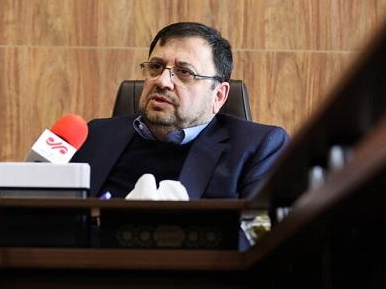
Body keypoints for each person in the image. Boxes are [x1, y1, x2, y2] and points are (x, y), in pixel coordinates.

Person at [72, 22, 290, 199]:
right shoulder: (95, 136)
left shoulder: (258, 148)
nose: (162, 81)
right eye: (156, 67)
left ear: (218, 96)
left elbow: (261, 234)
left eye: (184, 72)